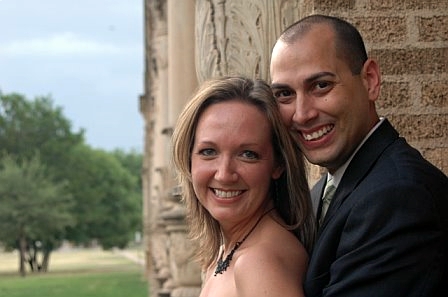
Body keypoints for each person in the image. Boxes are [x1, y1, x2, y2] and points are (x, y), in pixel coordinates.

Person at [270, 14, 448, 297]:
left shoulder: (397, 197)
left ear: (370, 80)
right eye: (284, 94)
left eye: (321, 85)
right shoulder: (323, 191)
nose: (302, 114)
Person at [171, 76, 316, 297]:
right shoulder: (228, 250)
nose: (224, 174)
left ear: (278, 163)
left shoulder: (258, 263)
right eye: (208, 152)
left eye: (248, 154)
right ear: (189, 158)